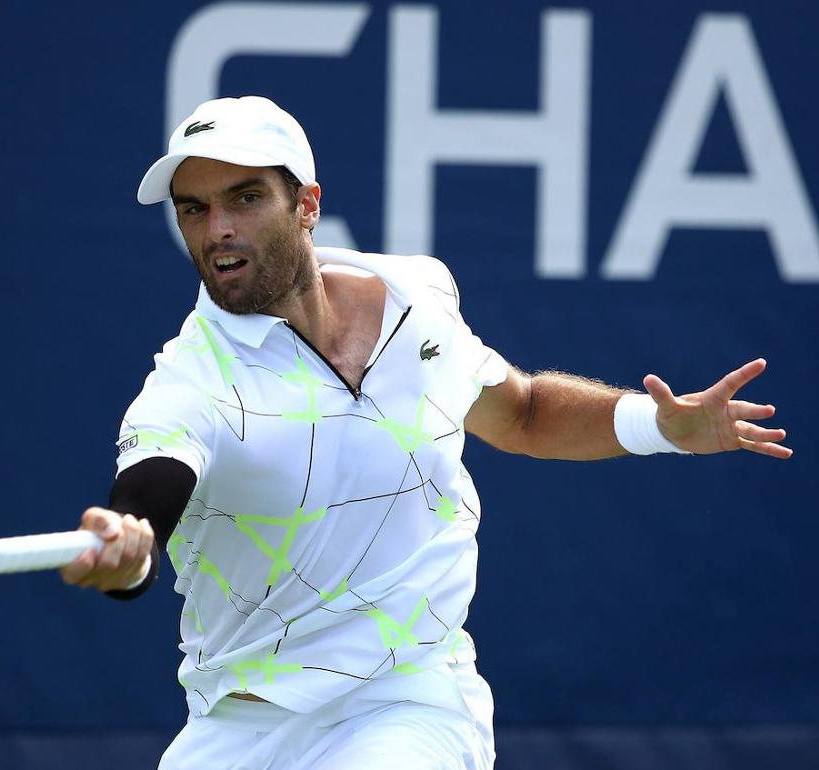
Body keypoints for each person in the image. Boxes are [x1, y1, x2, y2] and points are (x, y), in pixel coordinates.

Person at [58, 96, 790, 770]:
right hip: (238, 727)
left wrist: (659, 425)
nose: (217, 229)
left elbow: (524, 411)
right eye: (194, 209)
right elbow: (145, 503)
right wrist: (128, 551)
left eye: (245, 199)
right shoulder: (188, 385)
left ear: (306, 205)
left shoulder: (415, 298)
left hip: (409, 702)